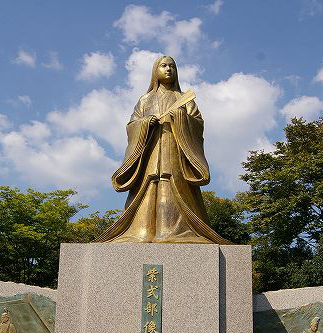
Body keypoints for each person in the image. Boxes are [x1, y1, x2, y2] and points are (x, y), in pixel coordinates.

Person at [95, 56, 230, 244]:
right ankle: (141, 231)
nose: (168, 69)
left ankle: (174, 232)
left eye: (172, 66)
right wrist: (144, 123)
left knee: (170, 184)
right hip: (150, 152)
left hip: (175, 152)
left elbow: (197, 124)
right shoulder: (145, 100)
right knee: (149, 187)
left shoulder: (184, 100)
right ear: (155, 71)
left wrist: (181, 117)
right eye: (164, 65)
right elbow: (131, 125)